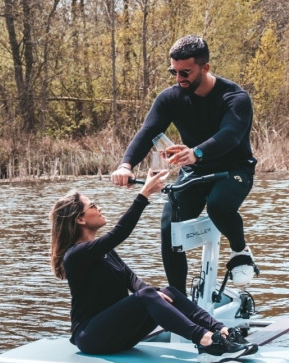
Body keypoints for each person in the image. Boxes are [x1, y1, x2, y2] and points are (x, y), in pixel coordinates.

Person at [49, 169, 257, 363]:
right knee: (149, 294)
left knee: (168, 291)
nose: (100, 207)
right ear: (80, 219)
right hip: (90, 337)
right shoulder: (75, 255)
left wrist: (156, 295)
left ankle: (223, 332)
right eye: (93, 205)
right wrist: (144, 193)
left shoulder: (105, 251)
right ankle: (207, 342)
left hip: (119, 334)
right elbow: (119, 233)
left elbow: (133, 282)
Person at [110, 35, 258, 293]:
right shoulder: (170, 98)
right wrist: (126, 165)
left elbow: (230, 136)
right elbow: (147, 132)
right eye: (174, 72)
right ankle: (178, 298)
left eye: (186, 72)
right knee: (170, 225)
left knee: (218, 205)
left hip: (233, 169)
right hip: (195, 172)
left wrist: (197, 152)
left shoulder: (235, 98)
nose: (179, 79)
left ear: (205, 68)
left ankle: (240, 251)